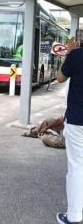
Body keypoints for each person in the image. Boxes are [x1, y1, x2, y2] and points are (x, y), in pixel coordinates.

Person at [55, 37, 83, 224]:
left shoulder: (77, 55)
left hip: (77, 120)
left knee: (77, 167)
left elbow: (59, 78)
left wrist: (69, 53)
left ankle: (74, 216)